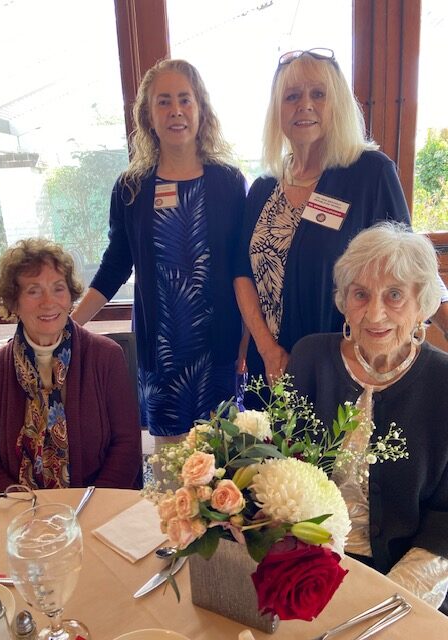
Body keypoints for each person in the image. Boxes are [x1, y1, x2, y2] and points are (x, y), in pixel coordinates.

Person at [234, 48, 448, 386]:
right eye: (292, 96)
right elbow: (242, 273)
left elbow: (412, 265)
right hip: (273, 366)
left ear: (339, 105)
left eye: (318, 94)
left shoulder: (370, 172)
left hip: (344, 369)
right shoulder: (263, 188)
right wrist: (267, 349)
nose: (305, 104)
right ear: (277, 110)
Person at [72, 59, 246, 451]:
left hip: (219, 347)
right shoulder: (132, 187)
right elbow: (115, 266)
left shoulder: (229, 182)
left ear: (201, 108)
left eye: (185, 99)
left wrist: (248, 340)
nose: (175, 111)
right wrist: (69, 326)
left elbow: (243, 266)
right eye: (163, 102)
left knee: (223, 464)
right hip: (162, 350)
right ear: (149, 116)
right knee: (170, 465)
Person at [288, 222, 448, 612]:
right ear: (344, 300)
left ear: (422, 304)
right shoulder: (310, 358)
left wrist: (385, 602)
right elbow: (282, 467)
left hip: (407, 575)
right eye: (361, 294)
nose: (375, 314)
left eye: (395, 295)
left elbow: (444, 522)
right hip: (309, 563)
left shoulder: (443, 381)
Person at [0, 238, 142, 491]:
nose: (49, 302)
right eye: (33, 291)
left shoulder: (107, 357)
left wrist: (91, 505)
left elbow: (127, 447)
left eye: (58, 288)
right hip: (21, 509)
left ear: (70, 296)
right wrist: (26, 506)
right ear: (13, 302)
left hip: (96, 504)